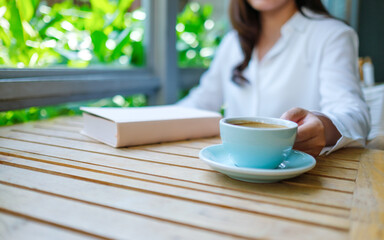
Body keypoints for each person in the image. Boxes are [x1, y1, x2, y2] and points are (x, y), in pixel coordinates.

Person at [177, 0, 370, 156]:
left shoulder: (332, 35)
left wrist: (322, 125)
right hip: (232, 171)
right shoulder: (232, 42)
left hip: (301, 178)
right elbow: (200, 102)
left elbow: (354, 114)